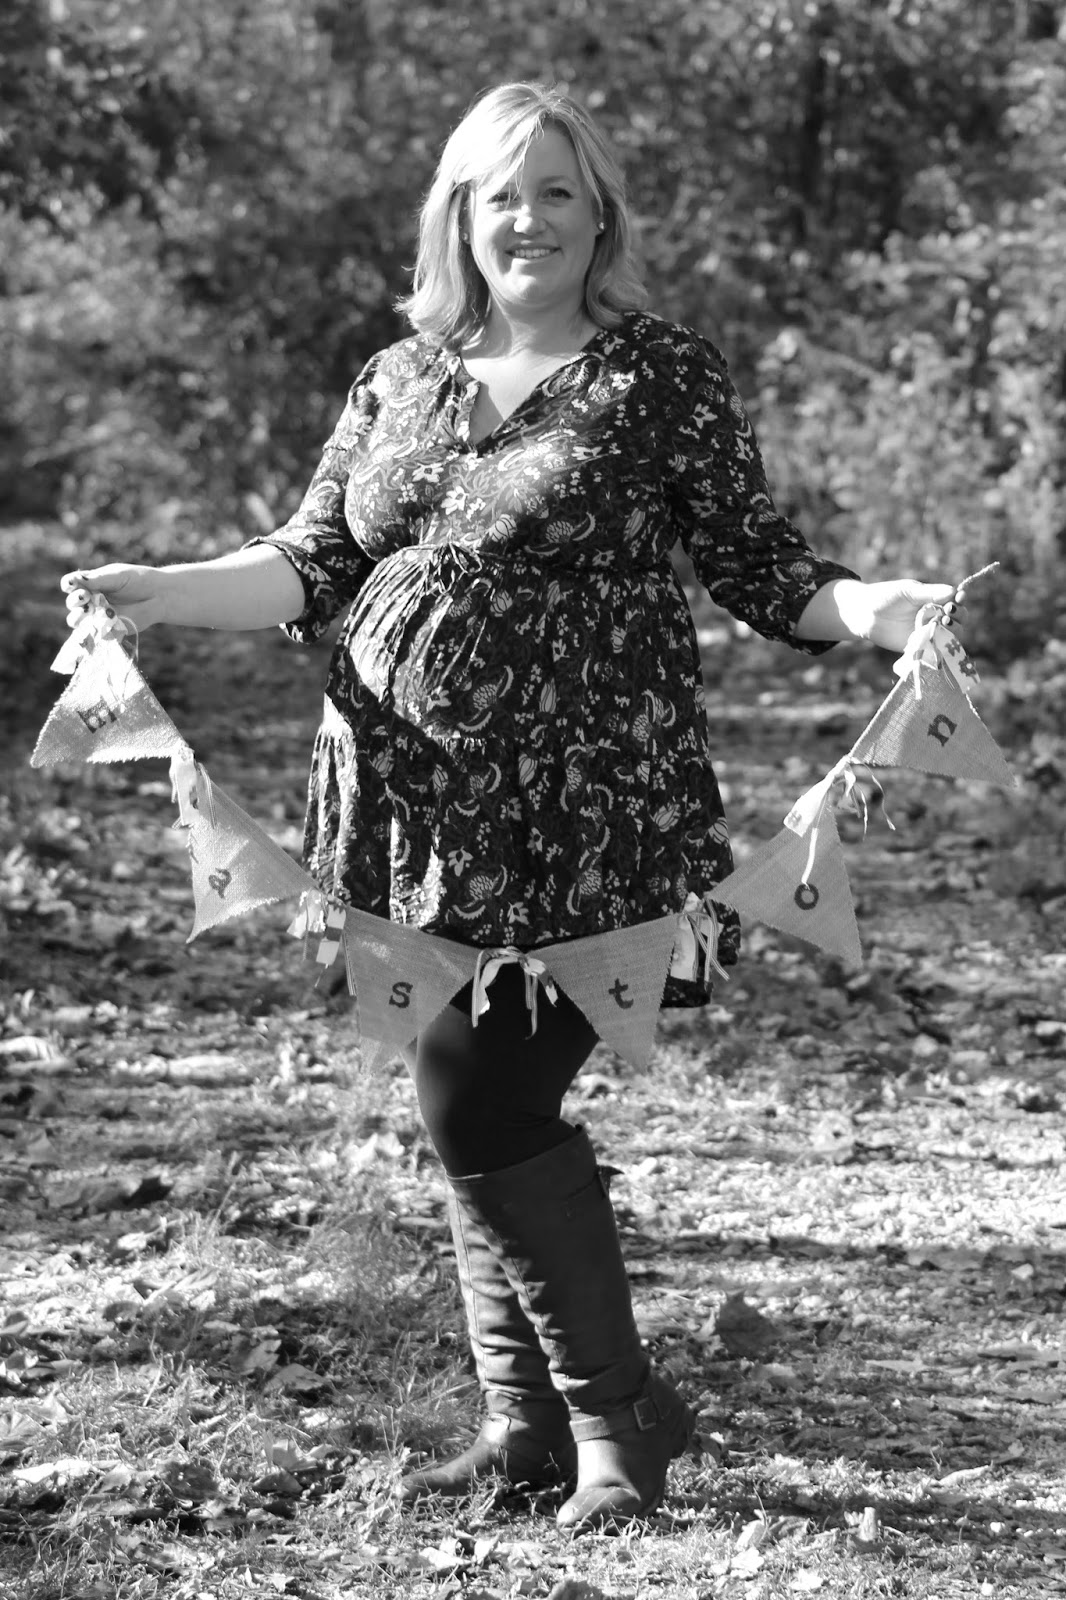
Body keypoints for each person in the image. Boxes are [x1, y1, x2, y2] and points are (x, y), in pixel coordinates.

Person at [62, 82, 963, 1531]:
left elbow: (760, 566)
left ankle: (619, 1424)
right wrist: (159, 590)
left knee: (480, 1098)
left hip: (588, 806)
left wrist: (878, 609)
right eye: (500, 195)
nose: (528, 218)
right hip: (406, 807)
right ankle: (525, 1429)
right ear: (458, 220)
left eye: (556, 191)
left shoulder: (657, 374)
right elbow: (311, 560)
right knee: (467, 1089)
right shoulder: (398, 376)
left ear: (599, 214)